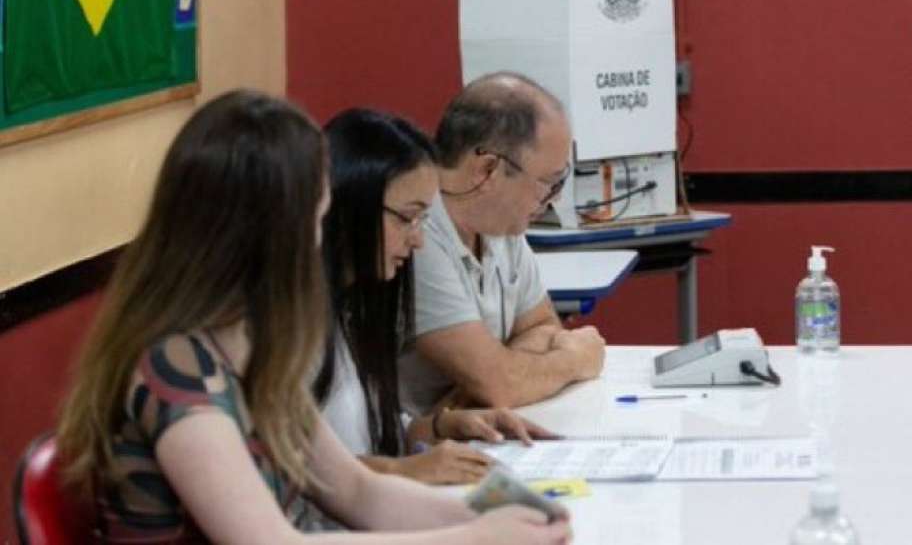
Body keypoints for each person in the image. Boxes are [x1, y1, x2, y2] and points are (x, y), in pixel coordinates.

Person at [56, 90, 570, 544]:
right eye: (314, 220)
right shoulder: (177, 369)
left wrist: (490, 517)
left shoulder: (248, 344)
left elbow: (358, 491)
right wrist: (473, 538)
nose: (320, 240)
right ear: (263, 233)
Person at [316, 107, 555, 486]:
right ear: (349, 206)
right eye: (406, 218)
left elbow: (370, 434)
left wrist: (442, 427)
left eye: (423, 220)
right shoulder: (287, 325)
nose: (418, 240)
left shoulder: (351, 308)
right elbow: (291, 470)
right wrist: (404, 470)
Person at [397, 72, 606, 416]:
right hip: (412, 442)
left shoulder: (500, 223)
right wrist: (574, 360)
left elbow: (542, 326)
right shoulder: (416, 231)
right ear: (487, 170)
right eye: (549, 183)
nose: (553, 200)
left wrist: (502, 374)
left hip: (468, 430)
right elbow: (500, 385)